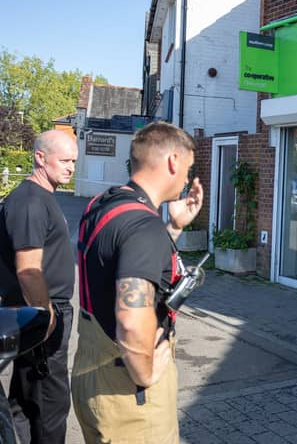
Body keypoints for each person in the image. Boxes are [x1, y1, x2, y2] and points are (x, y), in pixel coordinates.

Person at [71, 121, 203, 443]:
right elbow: (131, 321)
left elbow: (122, 261)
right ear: (173, 161)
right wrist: (146, 374)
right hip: (129, 393)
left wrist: (173, 227)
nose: (187, 179)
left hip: (93, 372)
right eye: (188, 168)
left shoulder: (104, 204)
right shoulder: (143, 227)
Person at [0, 129, 78, 443]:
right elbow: (29, 271)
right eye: (64, 160)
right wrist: (45, 316)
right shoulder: (31, 201)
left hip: (35, 310)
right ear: (40, 158)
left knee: (27, 396)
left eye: (74, 160)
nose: (71, 167)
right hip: (40, 311)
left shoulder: (40, 196)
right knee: (50, 404)